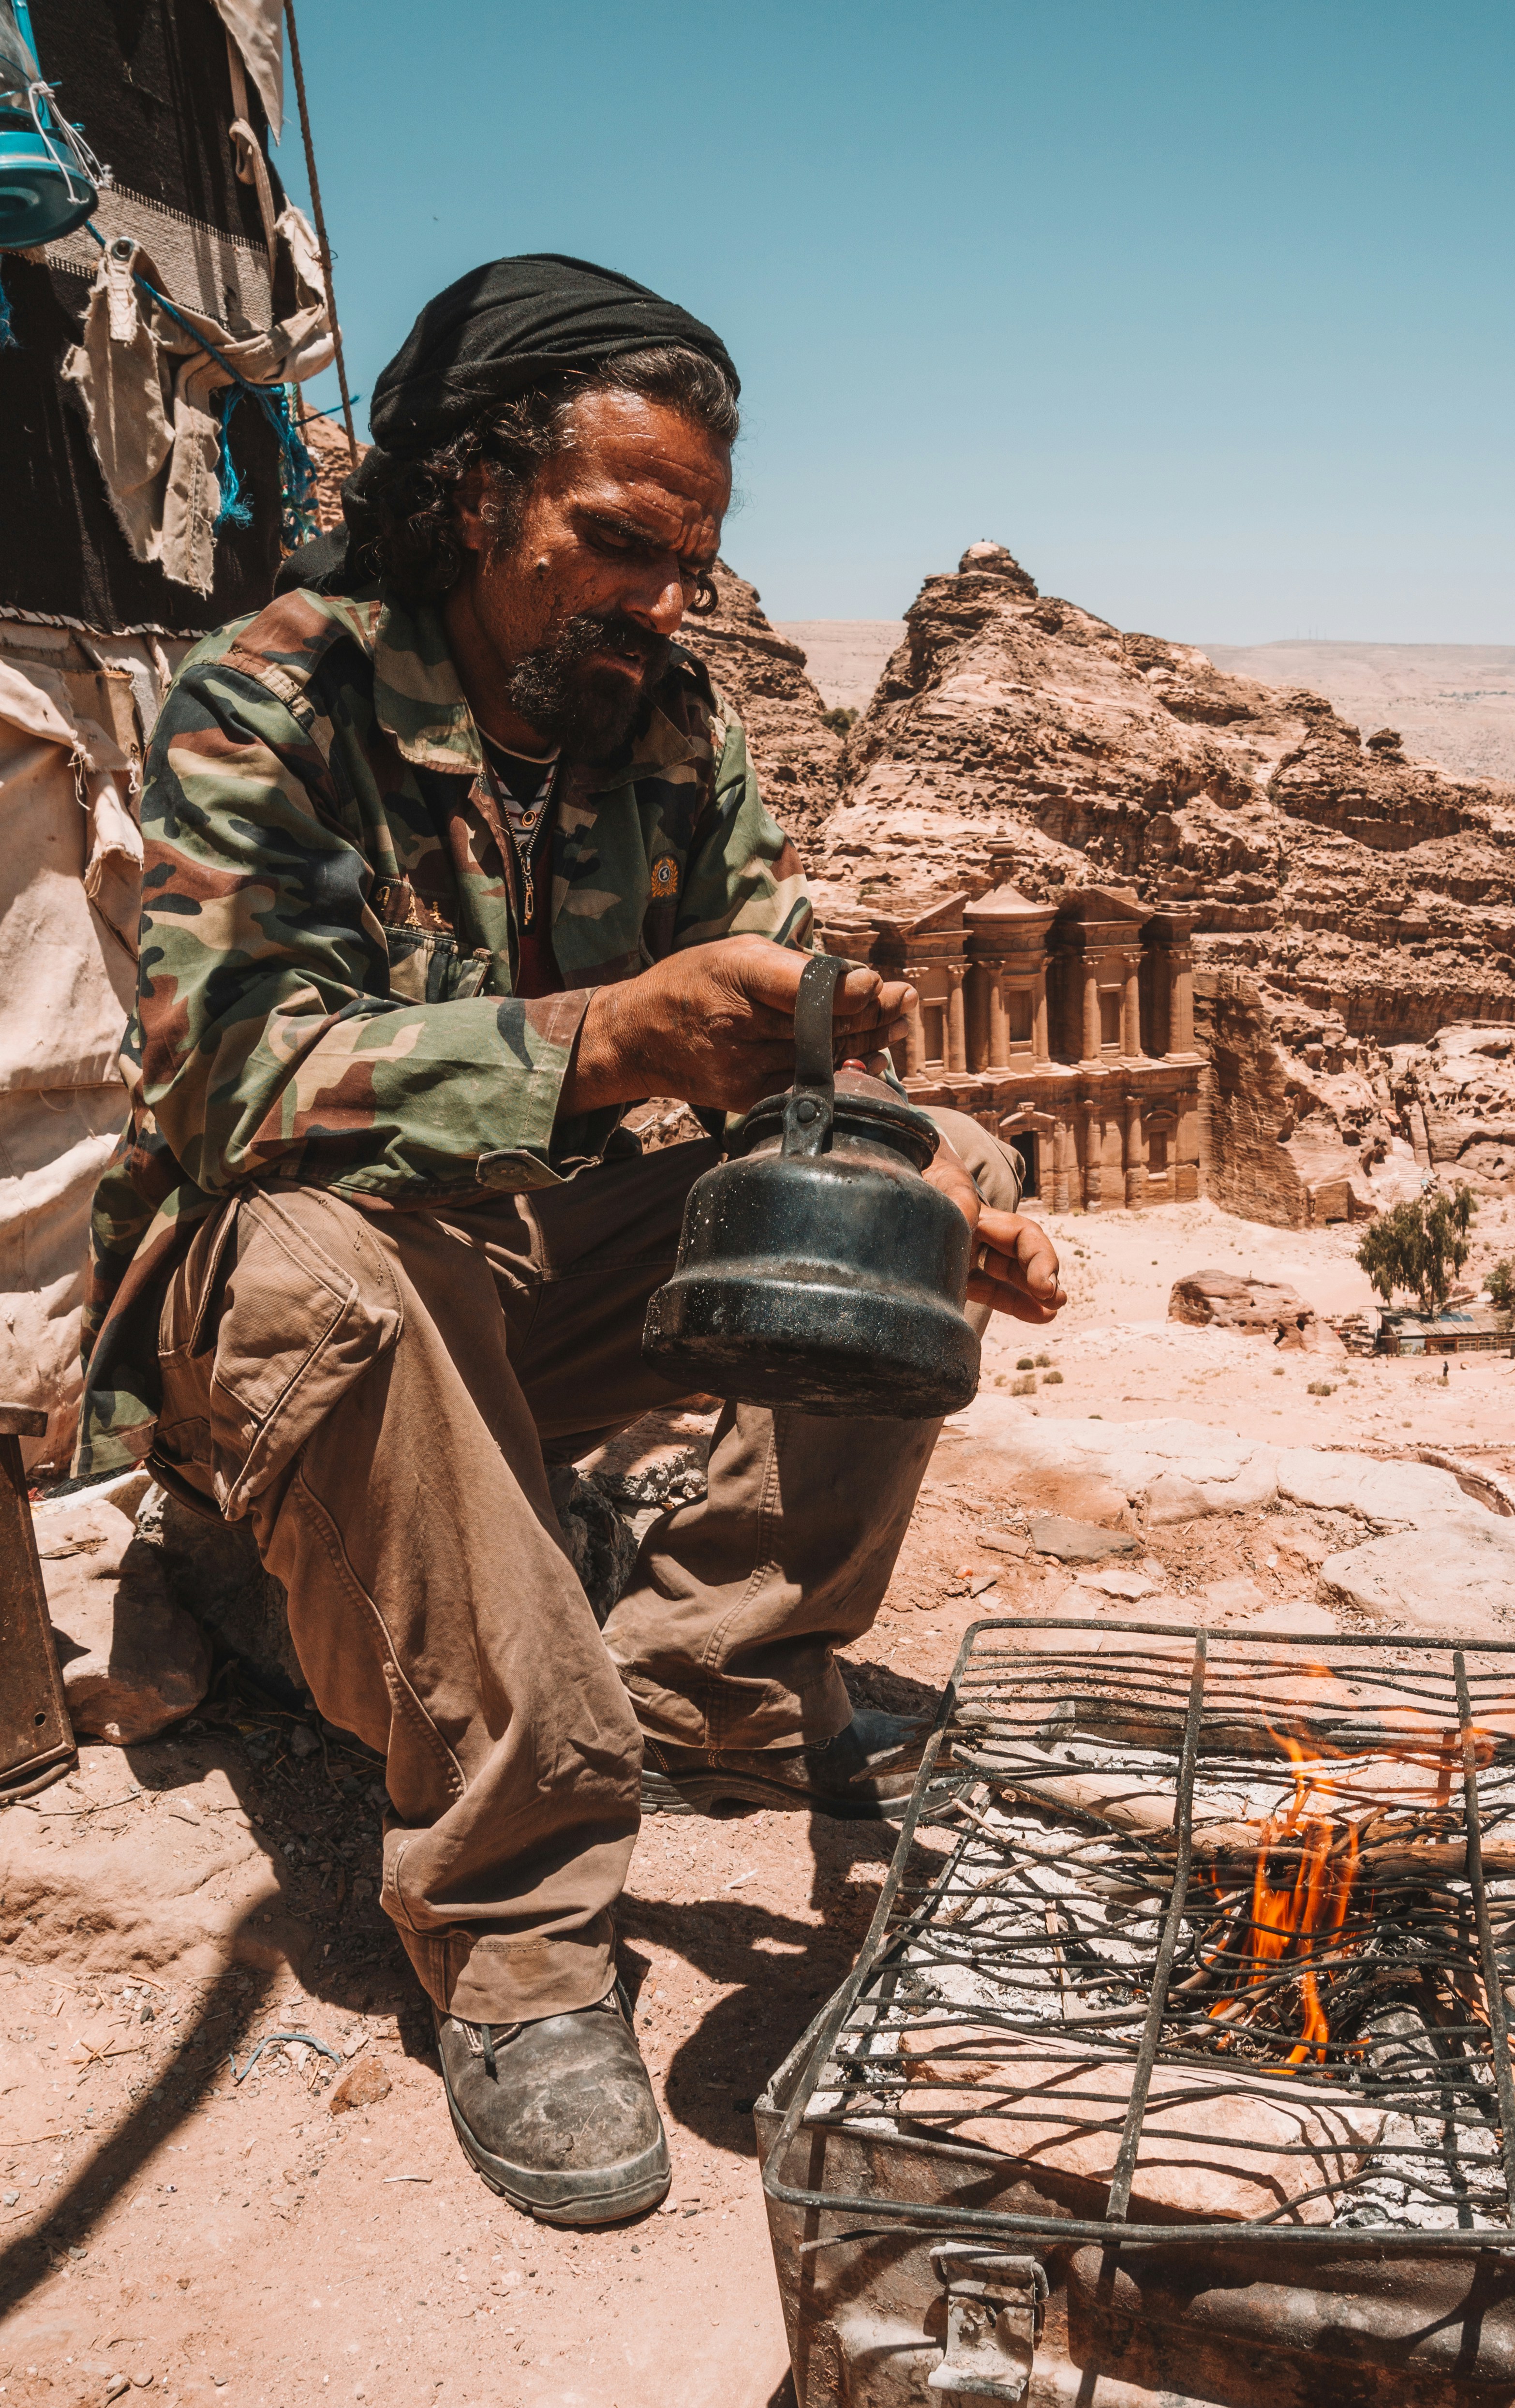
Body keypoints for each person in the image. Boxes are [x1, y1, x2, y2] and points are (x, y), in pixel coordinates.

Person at [75, 255, 1063, 2228]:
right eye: (622, 543)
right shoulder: (272, 701)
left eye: (693, 560)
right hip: (289, 1310)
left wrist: (915, 1157)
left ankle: (716, 1681)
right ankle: (517, 1922)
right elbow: (228, 1088)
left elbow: (784, 1019)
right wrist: (605, 1041)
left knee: (901, 1174)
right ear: (473, 493)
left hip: (524, 1285)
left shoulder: (666, 729)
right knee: (333, 1260)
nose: (667, 602)